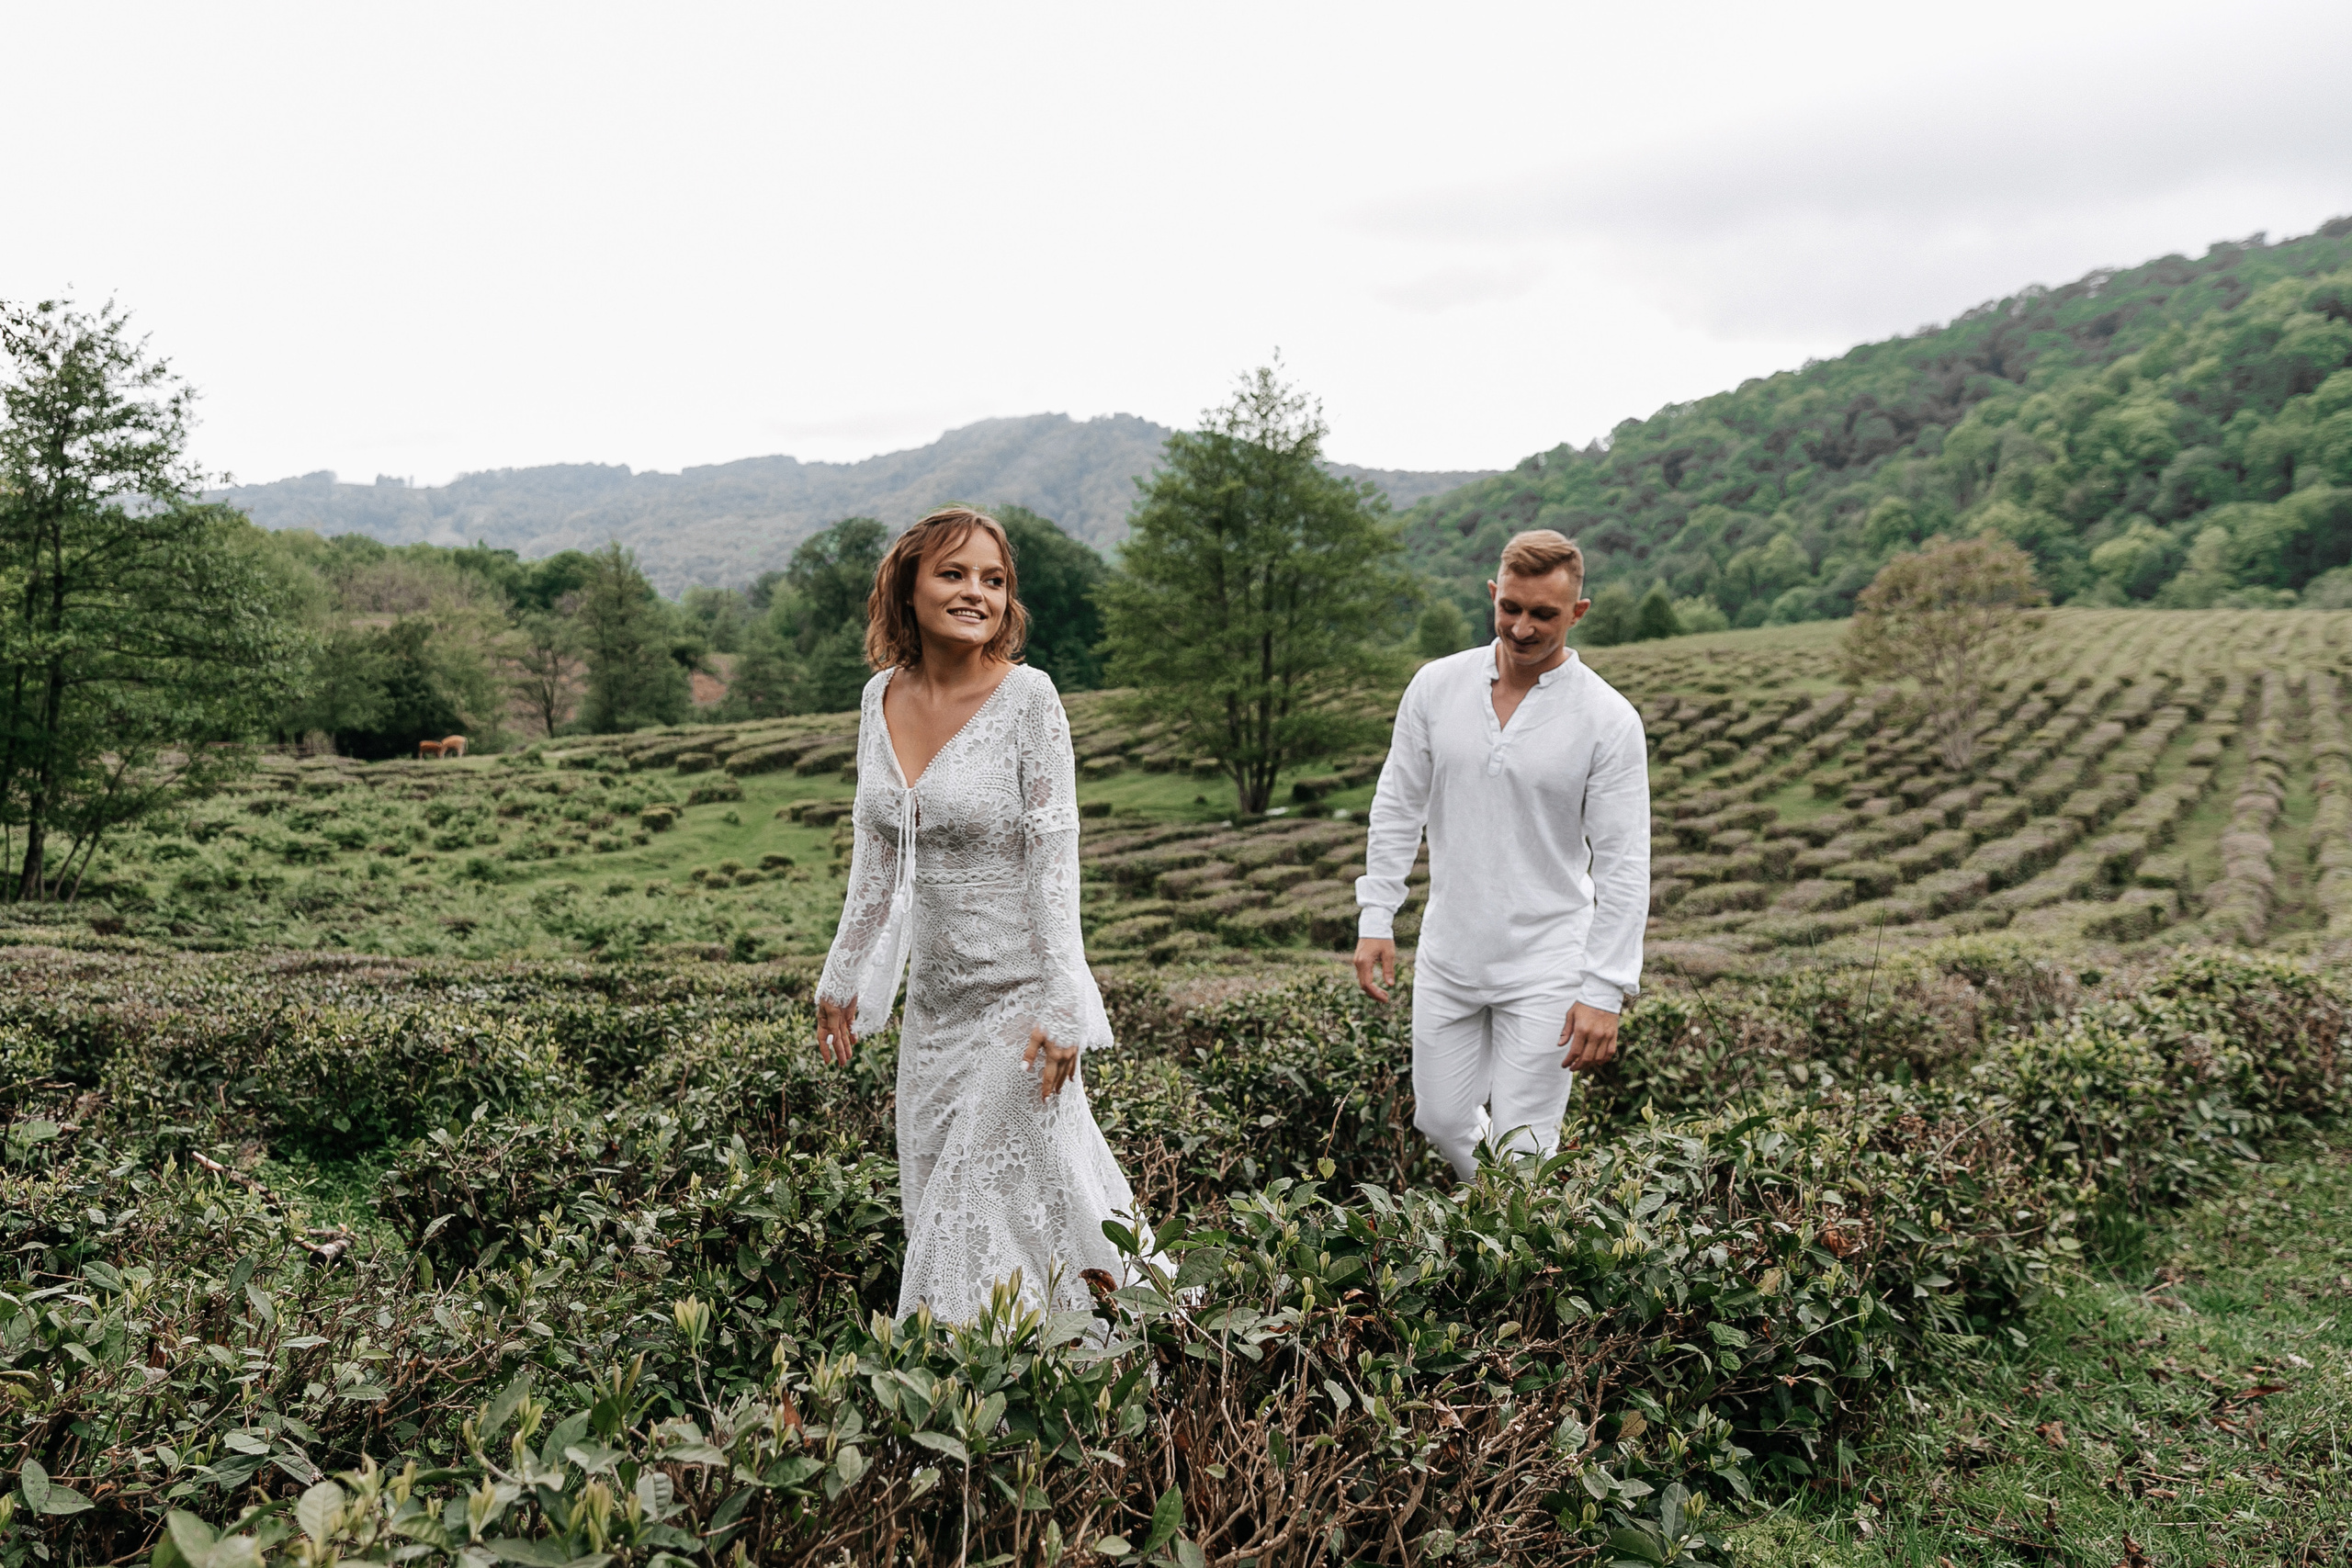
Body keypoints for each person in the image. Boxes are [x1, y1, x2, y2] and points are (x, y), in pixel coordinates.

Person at [814, 506, 1140, 1323]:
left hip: (1020, 1006)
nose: (976, 593)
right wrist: (840, 973)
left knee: (975, 1201)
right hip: (936, 1012)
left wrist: (1066, 1000)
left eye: (993, 580)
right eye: (954, 574)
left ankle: (974, 1375)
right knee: (947, 1197)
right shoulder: (877, 697)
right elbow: (876, 851)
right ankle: (1054, 1355)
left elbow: (1054, 855)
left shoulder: (1029, 699)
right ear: (909, 585)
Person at [1352, 529, 1649, 1179]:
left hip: (1548, 960)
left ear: (1578, 612)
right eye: (1510, 607)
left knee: (1523, 1142)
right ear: (1493, 593)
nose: (1521, 627)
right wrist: (1377, 916)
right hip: (1450, 949)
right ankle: (1499, 1222)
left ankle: (1513, 1264)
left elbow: (1625, 862)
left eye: (1543, 613)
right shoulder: (1435, 686)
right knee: (1440, 1117)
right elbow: (1399, 801)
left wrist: (1605, 987)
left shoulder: (1608, 718)